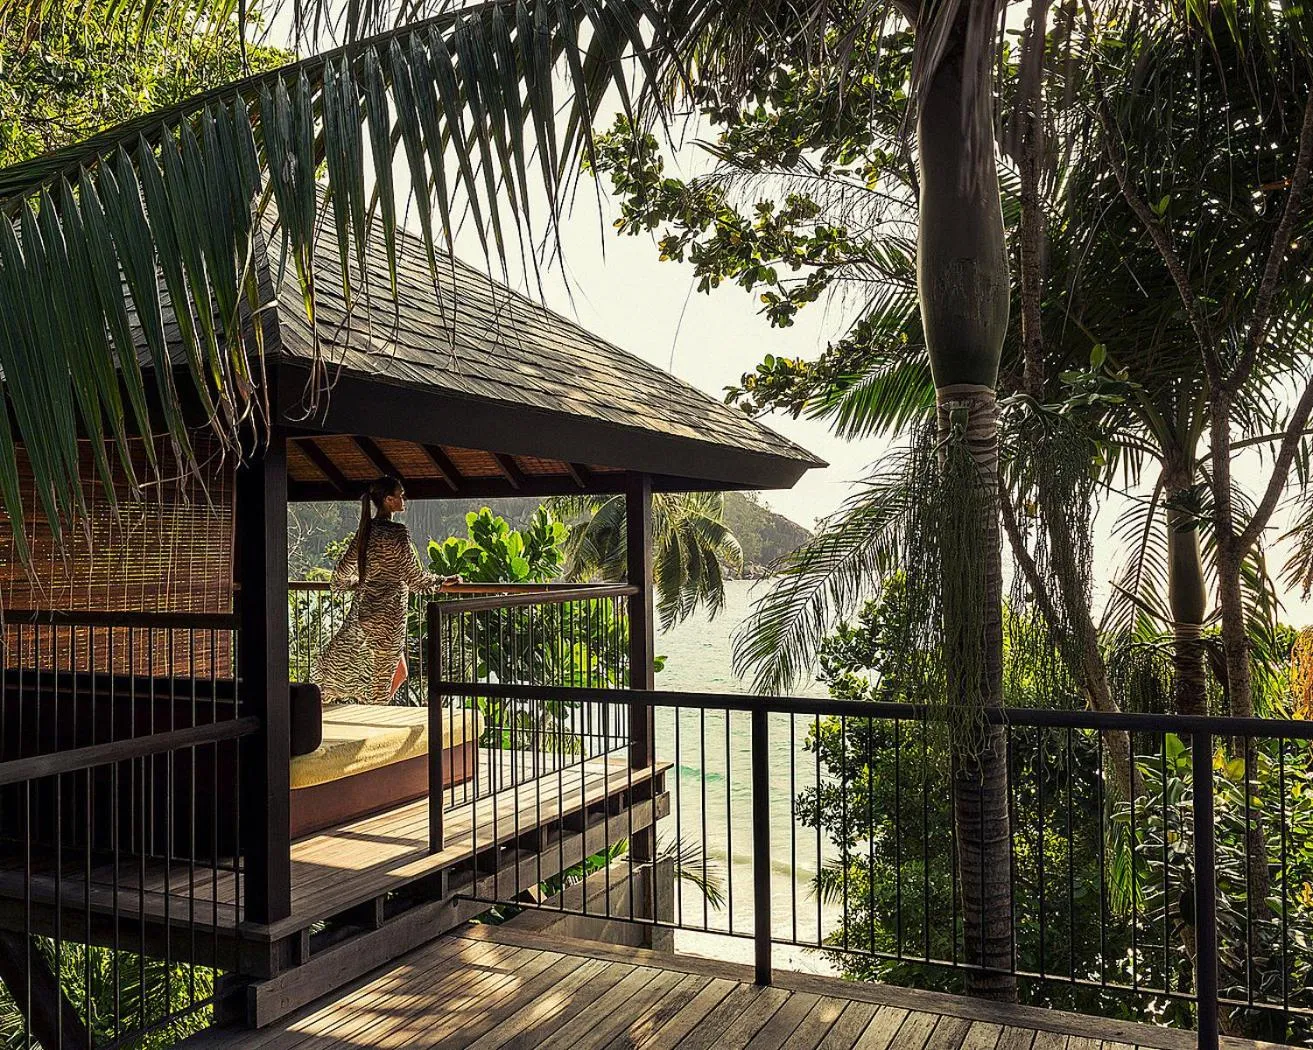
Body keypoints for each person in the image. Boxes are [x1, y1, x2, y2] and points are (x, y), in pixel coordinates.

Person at [313, 476, 460, 703]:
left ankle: (363, 709)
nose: (404, 499)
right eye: (400, 495)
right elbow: (415, 579)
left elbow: (341, 572)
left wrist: (356, 583)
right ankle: (373, 720)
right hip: (389, 617)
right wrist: (443, 581)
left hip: (364, 612)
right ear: (389, 500)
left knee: (396, 672)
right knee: (382, 678)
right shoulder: (397, 533)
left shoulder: (366, 530)